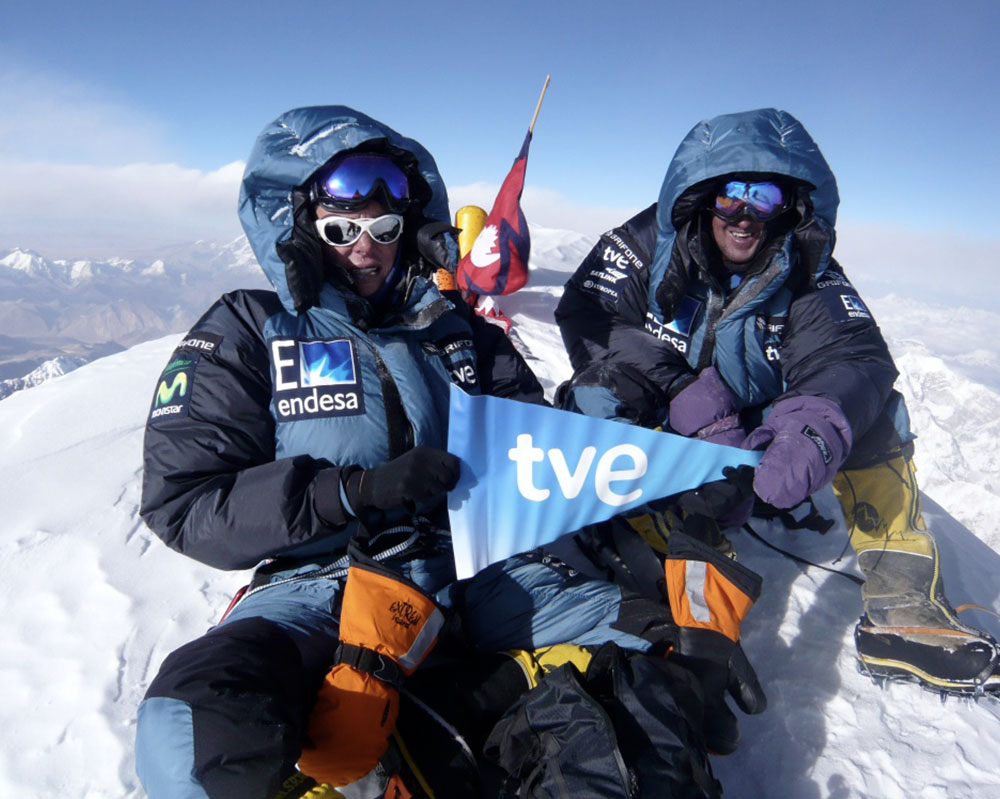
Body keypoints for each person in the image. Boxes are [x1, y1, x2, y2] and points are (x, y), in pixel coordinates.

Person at [134, 105, 745, 799]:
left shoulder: (464, 336)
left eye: (386, 225)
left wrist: (664, 485)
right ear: (299, 225)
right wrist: (350, 492)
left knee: (667, 654)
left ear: (412, 224)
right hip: (321, 584)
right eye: (343, 228)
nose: (367, 246)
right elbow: (184, 500)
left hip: (483, 573)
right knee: (188, 729)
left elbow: (541, 455)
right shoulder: (252, 329)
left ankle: (473, 712)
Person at [555, 107, 1000, 697]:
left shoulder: (809, 268)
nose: (744, 214)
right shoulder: (642, 245)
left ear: (789, 205)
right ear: (703, 195)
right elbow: (589, 315)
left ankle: (903, 605)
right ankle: (650, 533)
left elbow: (852, 356)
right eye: (731, 194)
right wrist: (683, 389)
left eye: (763, 197)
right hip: (667, 415)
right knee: (595, 394)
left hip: (758, 436)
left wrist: (810, 426)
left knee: (876, 416)